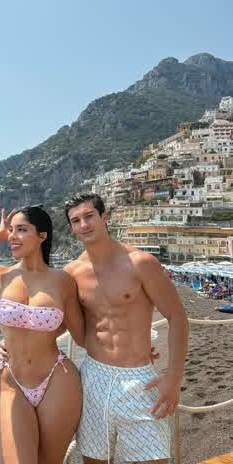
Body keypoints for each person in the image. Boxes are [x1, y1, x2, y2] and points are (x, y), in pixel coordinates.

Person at [0, 205, 85, 464]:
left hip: (57, 379)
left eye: (21, 230)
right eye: (12, 230)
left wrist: (137, 347)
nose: (13, 236)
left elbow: (81, 335)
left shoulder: (63, 281)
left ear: (42, 236)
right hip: (11, 381)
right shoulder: (0, 275)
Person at [63, 193, 188, 464]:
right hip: (93, 377)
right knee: (94, 460)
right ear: (71, 228)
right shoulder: (72, 273)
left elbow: (177, 317)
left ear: (104, 217)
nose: (84, 225)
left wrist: (173, 377)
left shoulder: (140, 263)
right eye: (76, 220)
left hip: (140, 380)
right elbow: (72, 329)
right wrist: (9, 346)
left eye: (89, 216)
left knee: (154, 459)